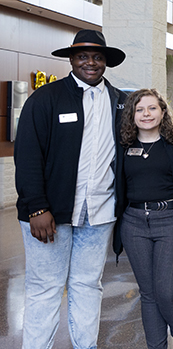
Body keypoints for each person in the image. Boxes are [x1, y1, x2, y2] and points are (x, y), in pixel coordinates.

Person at [14, 29, 127, 349]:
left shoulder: (120, 102)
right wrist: (36, 207)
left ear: (106, 62)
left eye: (97, 57)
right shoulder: (45, 99)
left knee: (88, 285)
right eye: (83, 56)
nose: (90, 63)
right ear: (72, 60)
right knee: (45, 286)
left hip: (100, 211)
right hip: (49, 213)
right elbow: (28, 155)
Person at [113, 89, 173, 349]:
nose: (146, 114)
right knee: (148, 294)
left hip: (169, 221)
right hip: (134, 223)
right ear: (131, 115)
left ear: (162, 112)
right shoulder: (123, 146)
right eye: (139, 109)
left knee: (168, 292)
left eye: (152, 108)